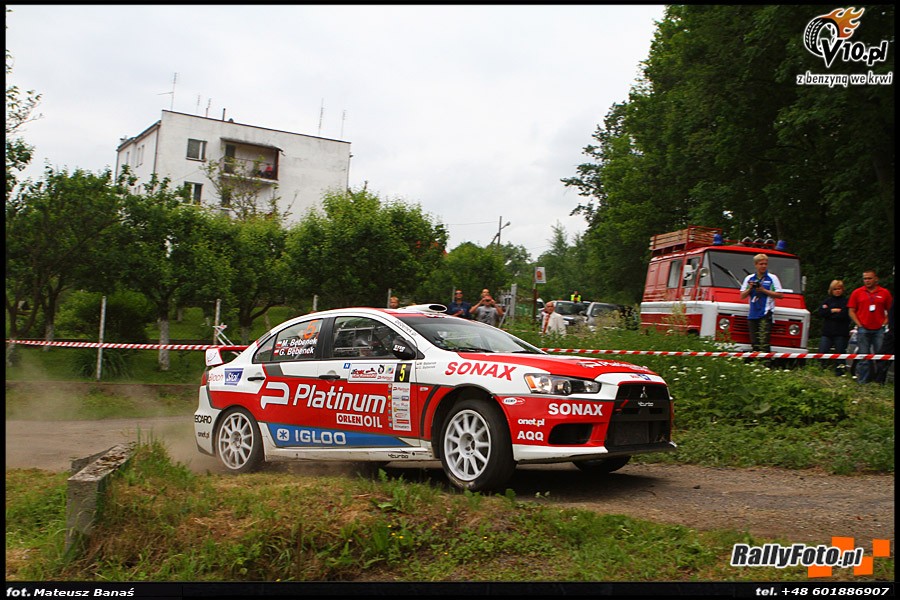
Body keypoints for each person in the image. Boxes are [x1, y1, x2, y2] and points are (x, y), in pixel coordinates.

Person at [847, 269, 893, 384]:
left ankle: (879, 382)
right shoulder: (857, 292)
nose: (867, 281)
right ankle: (862, 382)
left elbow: (891, 310)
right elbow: (851, 310)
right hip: (863, 329)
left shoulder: (884, 292)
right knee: (863, 356)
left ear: (876, 279)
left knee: (881, 357)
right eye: (865, 279)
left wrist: (885, 322)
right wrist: (859, 324)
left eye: (869, 278)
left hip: (879, 329)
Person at [739, 254, 784, 353]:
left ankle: (766, 361)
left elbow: (780, 295)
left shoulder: (772, 278)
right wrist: (750, 288)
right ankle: (756, 360)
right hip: (753, 313)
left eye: (765, 264)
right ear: (756, 265)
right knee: (754, 342)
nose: (763, 266)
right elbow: (742, 296)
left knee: (764, 342)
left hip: (766, 313)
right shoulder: (749, 278)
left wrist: (764, 290)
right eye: (761, 264)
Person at [816, 280, 851, 375]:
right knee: (822, 352)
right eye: (835, 289)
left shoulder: (846, 302)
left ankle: (840, 373)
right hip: (827, 332)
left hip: (841, 333)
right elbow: (821, 312)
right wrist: (833, 311)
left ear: (842, 289)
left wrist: (829, 313)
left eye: (839, 289)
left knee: (840, 353)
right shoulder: (827, 301)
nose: (837, 291)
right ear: (831, 290)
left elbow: (844, 315)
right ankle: (820, 371)